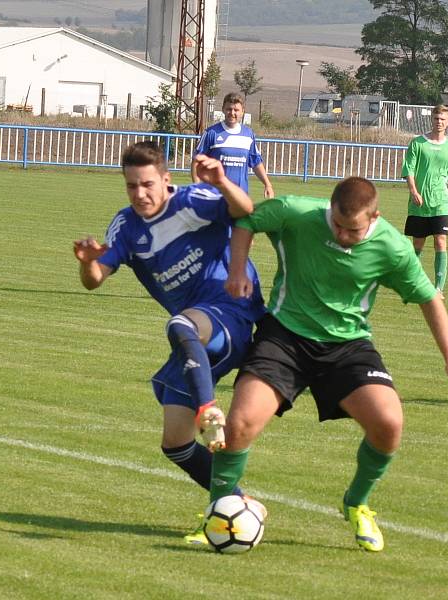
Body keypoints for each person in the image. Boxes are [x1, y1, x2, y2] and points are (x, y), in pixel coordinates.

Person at [214, 176, 448, 552]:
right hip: (285, 336)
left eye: (351, 229)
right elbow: (247, 220)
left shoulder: (393, 248)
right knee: (238, 425)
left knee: (389, 423)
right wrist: (237, 270)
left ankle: (357, 503)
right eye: (336, 223)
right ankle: (216, 510)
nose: (341, 234)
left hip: (347, 347)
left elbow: (430, 298)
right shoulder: (297, 213)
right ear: (330, 209)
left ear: (374, 217)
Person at [72, 141, 267, 543]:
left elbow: (246, 211)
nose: (139, 194)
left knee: (181, 324)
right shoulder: (125, 227)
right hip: (193, 338)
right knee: (176, 443)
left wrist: (222, 181)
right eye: (131, 186)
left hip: (230, 310)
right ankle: (239, 506)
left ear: (165, 179)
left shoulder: (195, 200)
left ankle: (209, 409)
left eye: (146, 184)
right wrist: (88, 262)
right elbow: (95, 282)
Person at [401, 104, 448, 296]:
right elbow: (408, 169)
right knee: (417, 245)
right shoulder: (418, 143)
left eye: (443, 119)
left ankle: (438, 288)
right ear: (431, 119)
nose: (439, 122)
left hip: (441, 203)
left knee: (441, 242)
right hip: (420, 203)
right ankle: (413, 283)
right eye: (436, 118)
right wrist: (413, 191)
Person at [191, 91, 275, 199]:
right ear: (223, 110)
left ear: (242, 112)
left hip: (240, 197)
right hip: (215, 197)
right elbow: (196, 162)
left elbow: (256, 162)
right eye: (229, 109)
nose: (232, 113)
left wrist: (267, 184)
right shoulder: (211, 133)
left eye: (236, 110)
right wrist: (198, 188)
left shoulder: (248, 134)